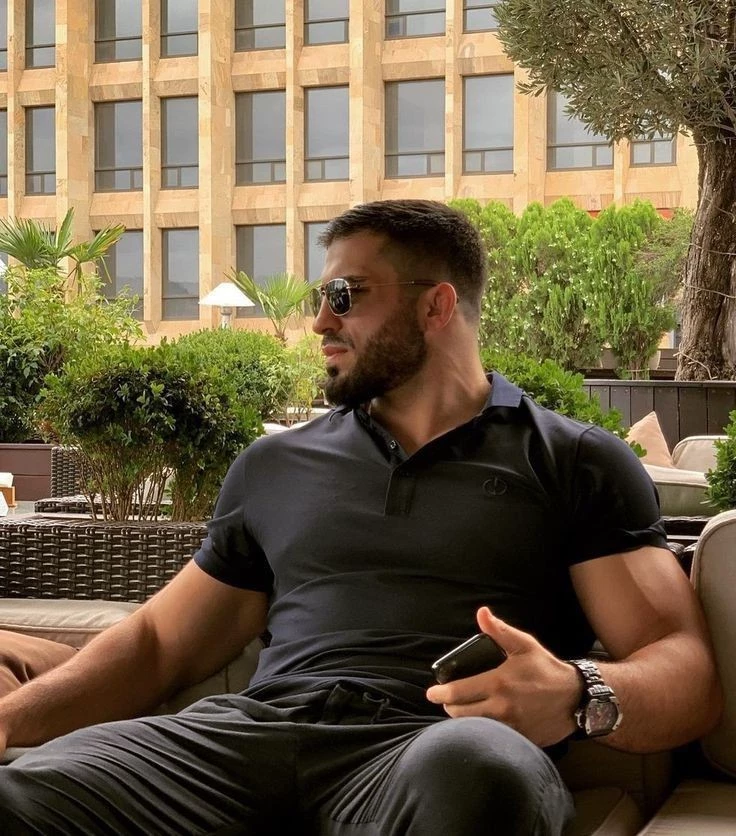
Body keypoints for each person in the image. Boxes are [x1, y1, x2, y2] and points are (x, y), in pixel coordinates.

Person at [0, 200, 721, 835]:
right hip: (251, 740)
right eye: (322, 297)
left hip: (430, 744)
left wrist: (577, 693)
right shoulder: (274, 465)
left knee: (482, 768)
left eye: (345, 296)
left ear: (436, 307)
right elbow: (160, 643)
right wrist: (11, 720)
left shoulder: (573, 461)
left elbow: (684, 669)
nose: (320, 321)